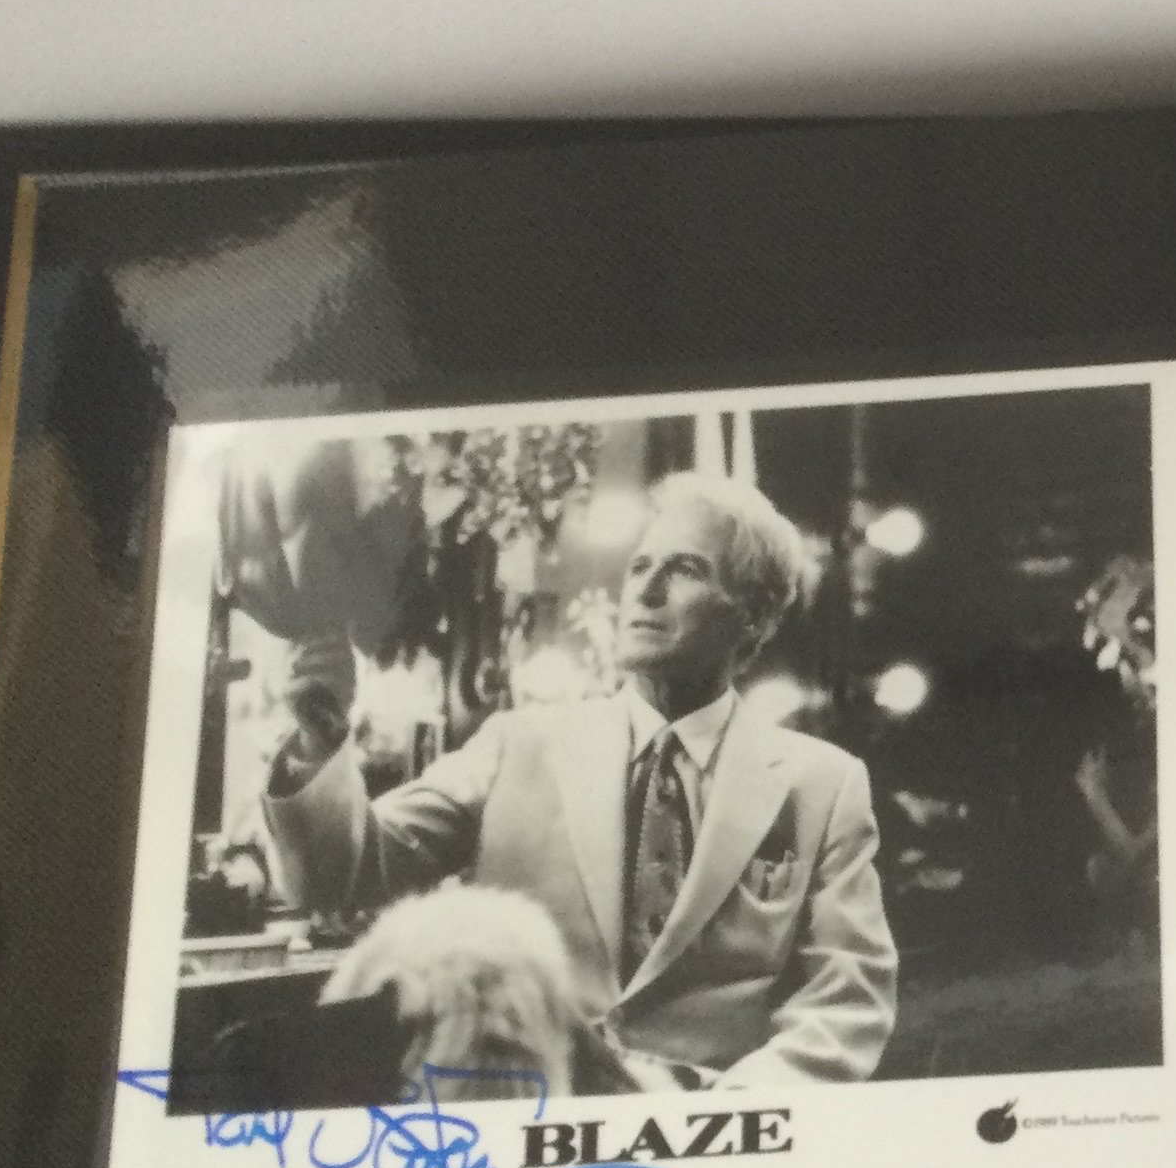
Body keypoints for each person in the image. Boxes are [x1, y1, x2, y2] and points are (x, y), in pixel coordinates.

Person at [239, 450, 897, 1091]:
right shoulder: (517, 744)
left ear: (752, 616)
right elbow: (342, 879)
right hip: (531, 1114)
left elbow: (848, 999)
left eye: (685, 570)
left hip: (713, 1125)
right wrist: (320, 743)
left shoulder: (823, 785)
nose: (645, 590)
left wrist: (724, 1114)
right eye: (640, 566)